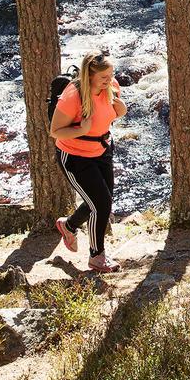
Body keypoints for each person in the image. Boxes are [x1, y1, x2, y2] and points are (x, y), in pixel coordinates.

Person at [50, 50, 127, 272]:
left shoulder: (110, 86)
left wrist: (120, 110)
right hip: (75, 156)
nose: (110, 80)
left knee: (103, 201)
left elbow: (108, 114)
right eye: (104, 77)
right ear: (90, 75)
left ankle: (69, 225)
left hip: (102, 149)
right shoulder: (72, 96)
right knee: (101, 204)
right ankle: (97, 256)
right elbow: (55, 131)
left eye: (111, 75)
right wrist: (80, 129)